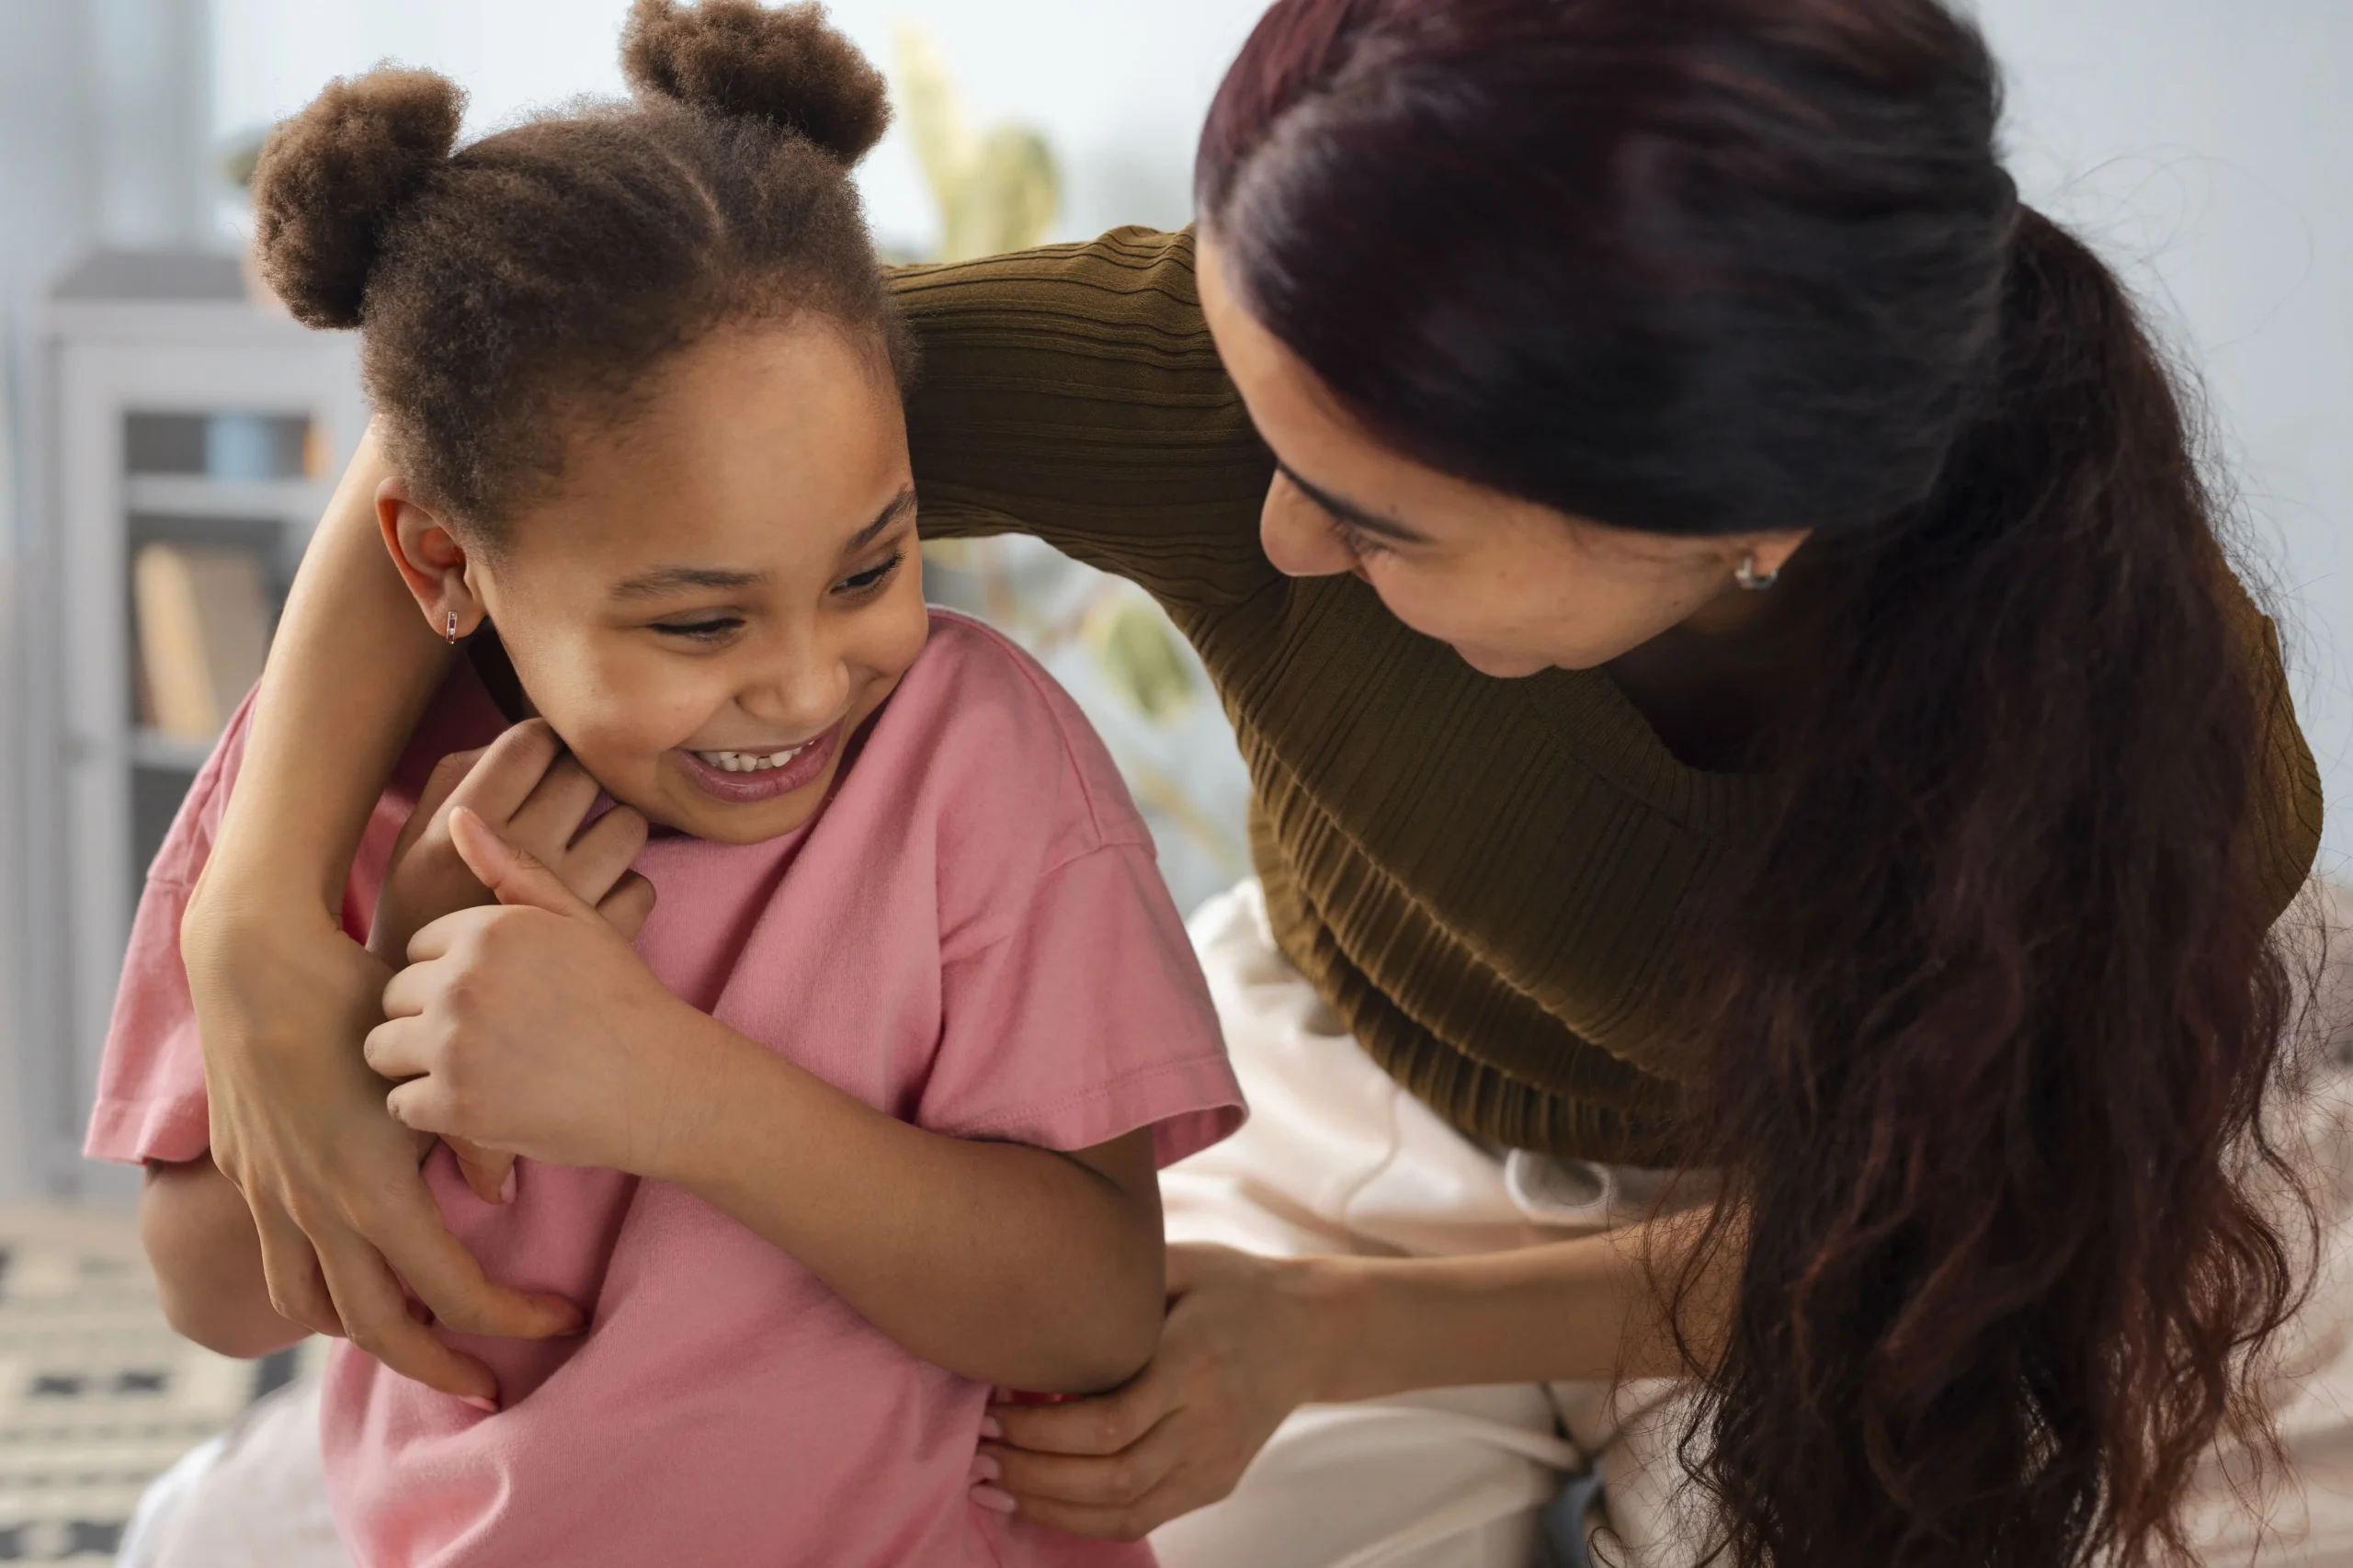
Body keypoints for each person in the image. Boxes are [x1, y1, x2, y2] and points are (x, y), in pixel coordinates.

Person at [173, 0, 2334, 1564]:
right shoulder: (1219, 391)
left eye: (1373, 519)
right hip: (1350, 1092)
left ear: (1737, 510)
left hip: (1917, 1221)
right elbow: (529, 387)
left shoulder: (2137, 750)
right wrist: (260, 914)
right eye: (1262, 440)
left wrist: (1343, 1332)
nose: (1273, 540)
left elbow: (1963, 1227)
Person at [90, 6, 1244, 1563]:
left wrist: (669, 1092)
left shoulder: (977, 760)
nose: (805, 679)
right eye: (699, 620)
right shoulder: (332, 801)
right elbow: (208, 1291)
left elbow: (1098, 1313)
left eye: (870, 565)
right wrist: (391, 1008)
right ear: (441, 561)